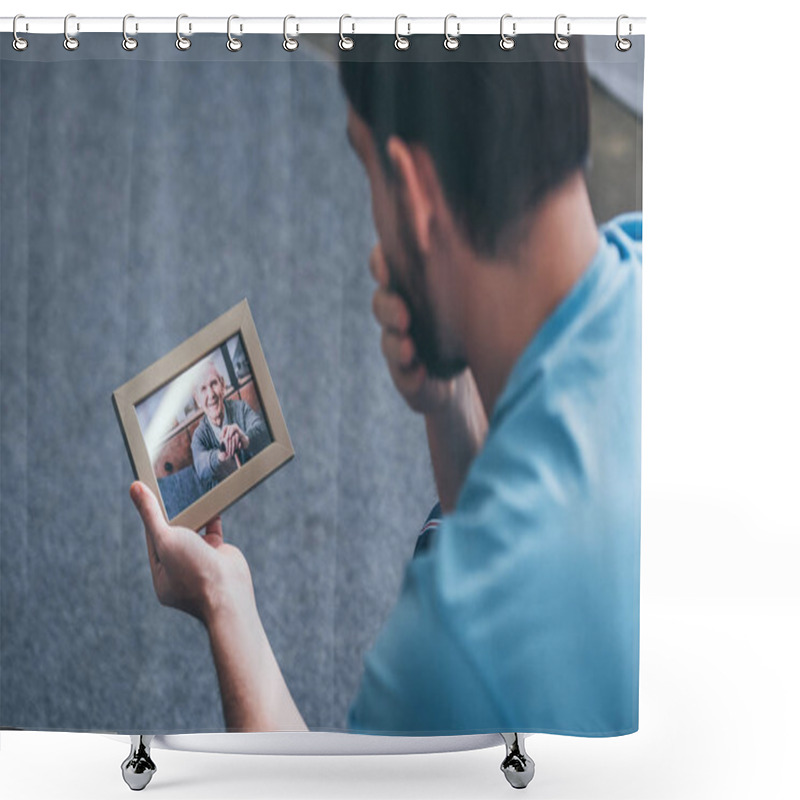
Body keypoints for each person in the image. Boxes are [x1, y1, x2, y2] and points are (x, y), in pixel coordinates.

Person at [130, 35, 641, 735]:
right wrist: (453, 405)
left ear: (416, 189)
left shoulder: (455, 646)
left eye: (365, 163)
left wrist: (224, 600)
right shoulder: (645, 250)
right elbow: (509, 507)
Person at [190, 360, 270, 491]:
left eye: (214, 383)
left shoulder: (241, 408)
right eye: (203, 389)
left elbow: (263, 431)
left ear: (223, 385)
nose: (211, 395)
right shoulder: (199, 437)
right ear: (197, 399)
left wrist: (245, 439)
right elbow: (200, 468)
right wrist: (220, 454)